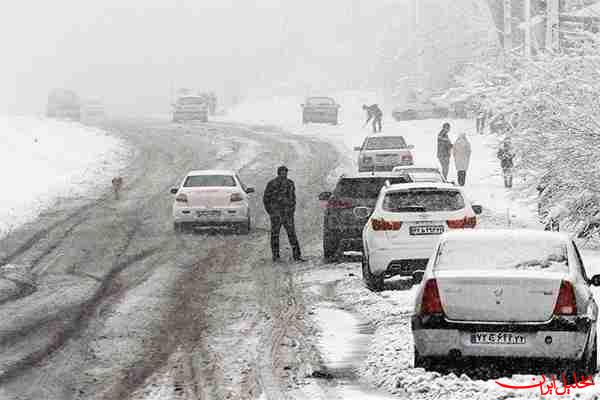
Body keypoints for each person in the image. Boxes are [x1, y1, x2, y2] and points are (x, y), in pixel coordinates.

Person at [263, 166, 305, 262]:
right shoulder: (272, 184)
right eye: (282, 172)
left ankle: (297, 255)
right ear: (279, 173)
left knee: (291, 234)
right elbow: (266, 199)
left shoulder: (290, 183)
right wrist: (271, 212)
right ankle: (276, 256)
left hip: (287, 214)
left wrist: (291, 210)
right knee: (275, 235)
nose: (284, 174)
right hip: (276, 214)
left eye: (285, 172)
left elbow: (293, 198)